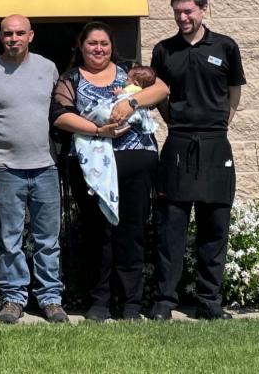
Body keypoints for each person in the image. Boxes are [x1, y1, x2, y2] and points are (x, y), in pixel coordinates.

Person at [51, 22, 169, 321]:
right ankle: (99, 301)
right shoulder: (71, 78)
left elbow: (162, 89)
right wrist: (98, 130)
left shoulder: (130, 71)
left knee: (132, 231)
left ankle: (131, 303)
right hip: (91, 167)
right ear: (81, 46)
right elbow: (60, 116)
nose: (98, 49)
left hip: (135, 161)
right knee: (97, 233)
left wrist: (130, 103)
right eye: (92, 43)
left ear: (111, 46)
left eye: (104, 43)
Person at [148, 0, 246, 321]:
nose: (182, 17)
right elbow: (158, 94)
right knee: (171, 228)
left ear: (203, 9)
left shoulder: (225, 47)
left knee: (215, 225)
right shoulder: (164, 50)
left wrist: (220, 125)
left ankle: (209, 302)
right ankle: (164, 302)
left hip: (216, 144)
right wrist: (176, 122)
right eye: (177, 12)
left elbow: (234, 92)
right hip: (178, 143)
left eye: (188, 11)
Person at [0, 15, 68, 325]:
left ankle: (50, 299)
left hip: (45, 167)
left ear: (31, 35)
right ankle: (13, 298)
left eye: (19, 33)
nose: (13, 38)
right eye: (8, 34)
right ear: (0, 37)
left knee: (48, 239)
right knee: (9, 238)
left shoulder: (48, 68)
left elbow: (60, 114)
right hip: (5, 169)